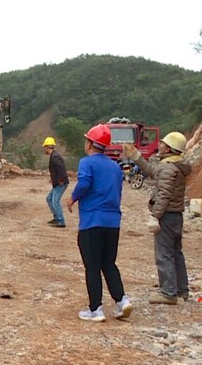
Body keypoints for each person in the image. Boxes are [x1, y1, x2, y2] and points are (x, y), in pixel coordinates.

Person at [64, 124, 132, 322]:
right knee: (109, 263)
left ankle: (95, 309)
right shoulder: (114, 167)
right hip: (113, 222)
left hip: (92, 222)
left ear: (90, 144)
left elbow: (84, 183)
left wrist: (72, 199)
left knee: (92, 266)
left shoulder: (87, 163)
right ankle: (122, 300)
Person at [142, 131, 192, 305]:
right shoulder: (176, 166)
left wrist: (155, 216)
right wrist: (136, 158)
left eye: (163, 143)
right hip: (176, 215)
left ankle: (168, 292)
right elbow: (154, 172)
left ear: (169, 148)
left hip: (166, 216)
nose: (160, 145)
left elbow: (163, 194)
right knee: (176, 253)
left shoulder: (168, 168)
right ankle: (181, 290)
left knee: (164, 254)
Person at [43, 137, 68, 228]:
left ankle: (61, 221)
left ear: (47, 147)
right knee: (49, 198)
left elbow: (61, 168)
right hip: (58, 182)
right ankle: (57, 217)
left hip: (61, 183)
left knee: (55, 201)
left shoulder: (55, 157)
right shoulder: (54, 155)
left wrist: (60, 180)